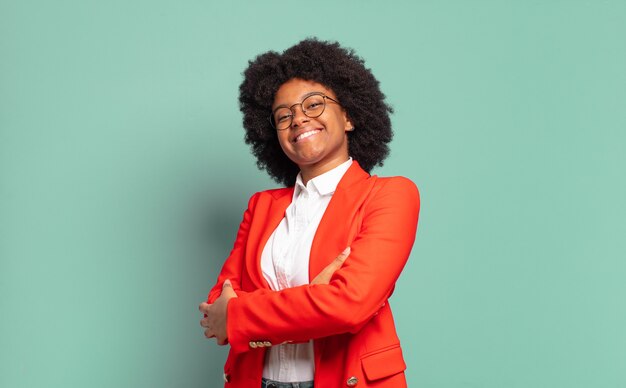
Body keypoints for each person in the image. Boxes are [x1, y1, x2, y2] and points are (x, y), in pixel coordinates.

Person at [199, 38, 420, 388]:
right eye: (283, 115)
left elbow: (350, 306)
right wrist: (314, 297)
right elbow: (216, 305)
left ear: (348, 115)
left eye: (313, 104)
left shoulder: (390, 195)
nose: (298, 118)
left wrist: (240, 314)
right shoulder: (261, 206)